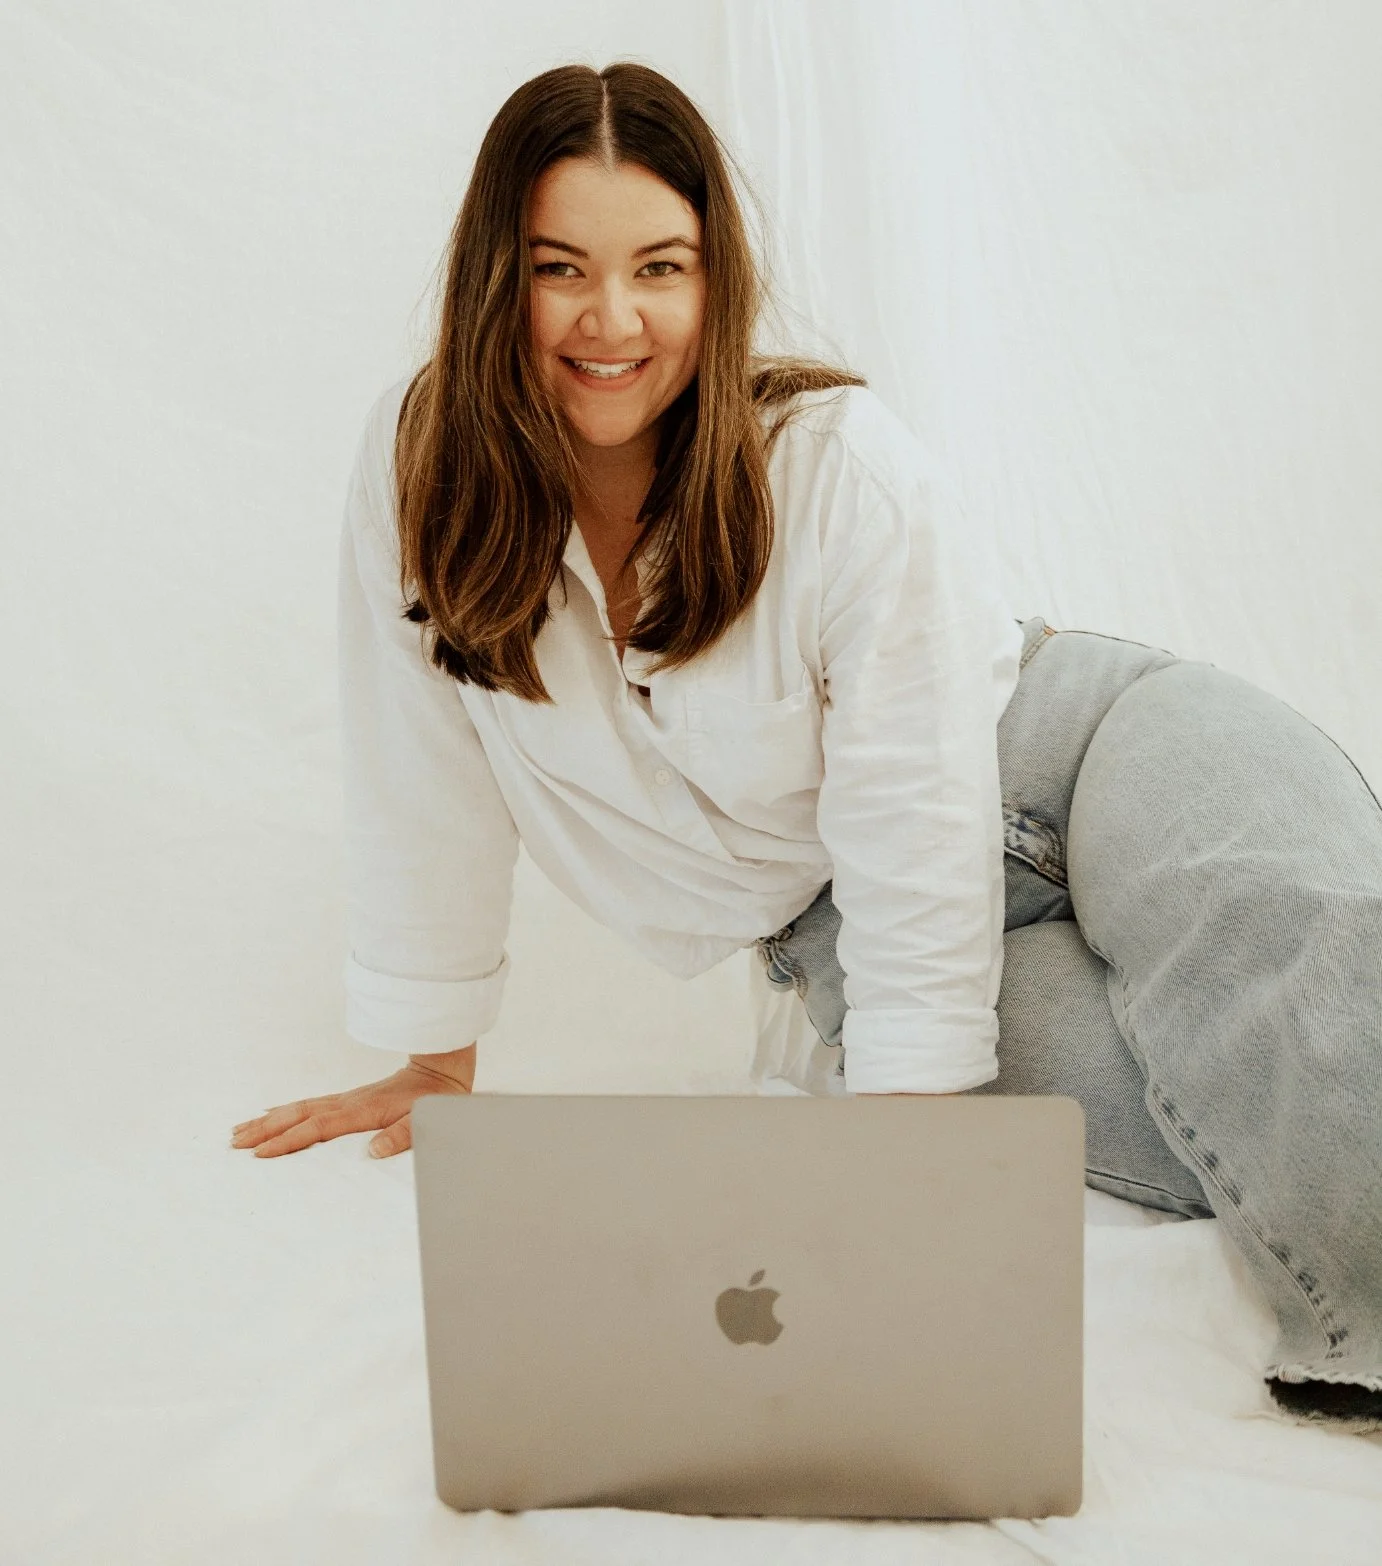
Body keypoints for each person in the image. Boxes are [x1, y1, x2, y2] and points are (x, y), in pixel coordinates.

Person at [230, 62, 1382, 1432]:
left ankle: (1359, 1352)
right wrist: (435, 1055)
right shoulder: (421, 465)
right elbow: (413, 755)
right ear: (496, 280)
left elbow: (910, 802)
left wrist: (902, 1131)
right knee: (1164, 1099)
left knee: (1293, 955)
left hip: (1087, 743)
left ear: (713, 284)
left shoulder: (835, 464)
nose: (612, 318)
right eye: (559, 269)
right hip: (841, 923)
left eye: (660, 266)